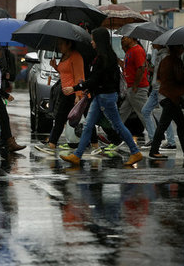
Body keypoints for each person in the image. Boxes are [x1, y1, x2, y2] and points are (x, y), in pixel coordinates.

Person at [60, 27, 143, 166]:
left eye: (93, 39)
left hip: (106, 97)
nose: (92, 42)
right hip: (100, 96)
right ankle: (77, 155)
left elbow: (96, 80)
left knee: (117, 125)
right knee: (88, 126)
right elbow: (99, 80)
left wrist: (75, 88)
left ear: (99, 40)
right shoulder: (107, 56)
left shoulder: (103, 58)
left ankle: (135, 152)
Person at [148, 45, 184, 159]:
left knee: (180, 123)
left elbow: (160, 76)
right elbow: (179, 78)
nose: (183, 49)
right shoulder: (175, 61)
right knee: (164, 125)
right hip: (170, 97)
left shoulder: (166, 60)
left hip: (166, 95)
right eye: (181, 47)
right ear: (177, 49)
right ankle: (154, 150)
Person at [43, 38, 85, 150]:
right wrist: (55, 66)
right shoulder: (64, 56)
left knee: (81, 120)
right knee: (60, 119)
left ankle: (94, 143)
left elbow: (79, 76)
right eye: (58, 44)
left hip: (74, 93)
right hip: (64, 93)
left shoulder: (76, 56)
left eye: (61, 44)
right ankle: (52, 144)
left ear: (69, 44)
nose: (59, 46)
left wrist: (78, 95)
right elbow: (65, 73)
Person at [140, 43, 176, 150]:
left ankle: (171, 142)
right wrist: (149, 67)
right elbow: (156, 71)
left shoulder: (165, 56)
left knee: (164, 115)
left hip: (161, 89)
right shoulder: (159, 54)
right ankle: (153, 138)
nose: (151, 43)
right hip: (155, 89)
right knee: (145, 111)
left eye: (154, 42)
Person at [119, 36, 149, 134]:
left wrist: (135, 85)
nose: (122, 39)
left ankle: (156, 137)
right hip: (130, 88)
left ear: (133, 38)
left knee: (144, 113)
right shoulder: (129, 51)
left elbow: (141, 68)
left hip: (137, 88)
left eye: (125, 37)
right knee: (123, 112)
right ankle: (115, 133)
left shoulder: (137, 50)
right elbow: (126, 66)